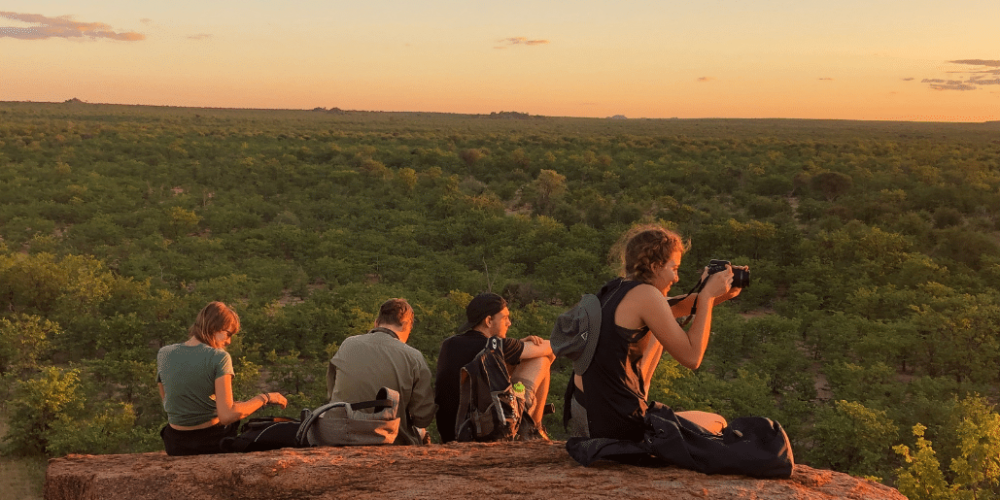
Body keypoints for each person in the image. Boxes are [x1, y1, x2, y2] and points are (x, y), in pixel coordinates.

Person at [570, 224, 743, 441]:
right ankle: (644, 427)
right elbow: (692, 358)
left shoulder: (617, 289)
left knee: (666, 316)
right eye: (675, 269)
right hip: (614, 424)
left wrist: (723, 293)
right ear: (655, 266)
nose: (677, 278)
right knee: (718, 422)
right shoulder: (648, 296)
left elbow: (673, 305)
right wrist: (707, 296)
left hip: (586, 414)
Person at [157, 301, 288, 456]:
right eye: (228, 334)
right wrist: (265, 397)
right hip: (209, 442)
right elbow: (226, 417)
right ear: (214, 328)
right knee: (238, 418)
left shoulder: (164, 353)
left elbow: (167, 400)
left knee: (236, 408)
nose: (229, 341)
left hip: (175, 444)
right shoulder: (219, 357)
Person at [435, 292, 555, 442]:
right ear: (489, 321)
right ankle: (534, 429)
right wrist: (523, 347)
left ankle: (530, 428)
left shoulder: (448, 344)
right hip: (484, 434)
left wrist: (516, 349)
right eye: (504, 318)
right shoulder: (499, 345)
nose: (509, 323)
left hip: (451, 432)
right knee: (541, 359)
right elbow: (553, 347)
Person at [326, 298, 436, 445]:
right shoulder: (413, 357)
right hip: (389, 441)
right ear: (408, 326)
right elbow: (422, 417)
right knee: (421, 433)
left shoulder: (347, 344)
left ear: (376, 322)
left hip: (341, 435)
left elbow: (332, 395)